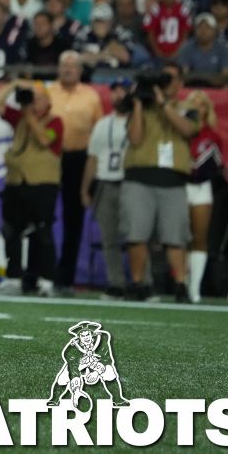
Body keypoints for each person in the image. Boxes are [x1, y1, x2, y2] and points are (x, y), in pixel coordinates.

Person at [122, 64, 199, 302]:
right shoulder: (142, 108)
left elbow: (187, 130)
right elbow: (134, 139)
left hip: (173, 180)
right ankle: (138, 284)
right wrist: (137, 103)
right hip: (139, 177)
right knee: (136, 234)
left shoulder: (188, 108)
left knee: (175, 238)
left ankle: (179, 285)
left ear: (180, 83)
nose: (164, 83)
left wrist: (163, 103)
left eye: (169, 78)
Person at [0, 80, 63, 297]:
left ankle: (46, 281)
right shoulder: (19, 118)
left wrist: (28, 113)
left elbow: (43, 139)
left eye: (37, 98)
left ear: (47, 102)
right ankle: (13, 278)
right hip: (16, 183)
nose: (32, 101)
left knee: (43, 232)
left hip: (42, 184)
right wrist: (13, 85)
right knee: (11, 231)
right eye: (32, 97)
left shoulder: (55, 121)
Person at [46, 51, 104, 296]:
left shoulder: (91, 96)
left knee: (73, 220)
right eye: (64, 65)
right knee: (43, 216)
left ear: (80, 70)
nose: (68, 70)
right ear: (58, 69)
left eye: (73, 66)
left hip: (79, 159)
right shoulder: (47, 92)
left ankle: (65, 278)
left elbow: (98, 131)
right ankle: (43, 275)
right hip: (50, 158)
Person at [81, 78, 132, 299]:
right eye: (115, 91)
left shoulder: (139, 121)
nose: (119, 95)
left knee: (136, 236)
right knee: (109, 238)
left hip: (131, 183)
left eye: (123, 91)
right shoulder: (103, 123)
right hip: (105, 182)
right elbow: (92, 158)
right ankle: (116, 283)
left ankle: (142, 282)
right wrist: (85, 188)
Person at [181, 90, 223, 303]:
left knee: (198, 238)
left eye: (202, 104)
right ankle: (181, 283)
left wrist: (189, 168)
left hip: (199, 190)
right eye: (193, 103)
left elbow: (210, 168)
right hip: (178, 188)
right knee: (178, 238)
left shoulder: (212, 137)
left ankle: (194, 289)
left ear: (207, 110)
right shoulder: (179, 131)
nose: (197, 108)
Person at [176, 12, 228, 86]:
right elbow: (184, 75)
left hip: (217, 87)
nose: (203, 31)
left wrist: (203, 79)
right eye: (200, 27)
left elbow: (226, 76)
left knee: (227, 87)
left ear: (215, 30)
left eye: (208, 27)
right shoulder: (187, 48)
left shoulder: (224, 49)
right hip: (193, 87)